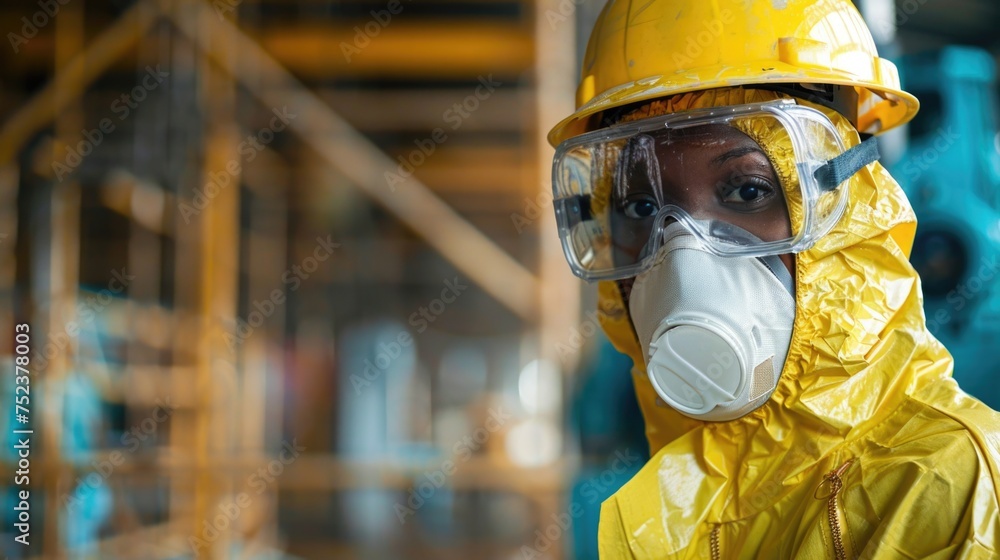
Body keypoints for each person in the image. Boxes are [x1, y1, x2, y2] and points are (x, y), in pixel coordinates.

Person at [546, 1, 1000, 558]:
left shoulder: (946, 488)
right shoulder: (687, 496)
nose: (685, 259)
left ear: (847, 212)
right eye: (641, 207)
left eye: (748, 192)